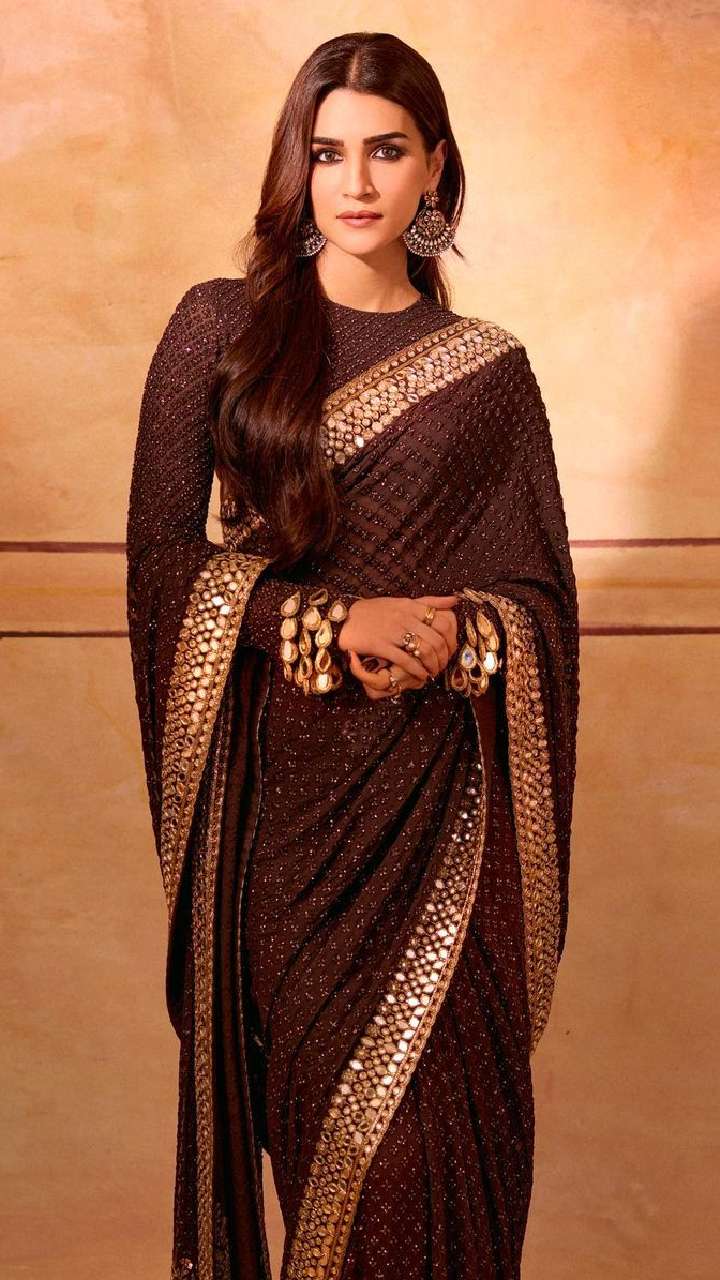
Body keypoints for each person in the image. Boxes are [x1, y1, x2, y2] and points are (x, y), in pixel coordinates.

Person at [125, 30, 580, 1280]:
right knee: (339, 1173)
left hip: (442, 829)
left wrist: (461, 633)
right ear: (298, 164)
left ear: (435, 169)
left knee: (434, 1169)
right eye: (329, 153)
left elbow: (539, 596)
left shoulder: (491, 375)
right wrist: (324, 622)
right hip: (289, 836)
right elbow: (159, 566)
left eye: (387, 151)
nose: (358, 181)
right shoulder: (221, 329)